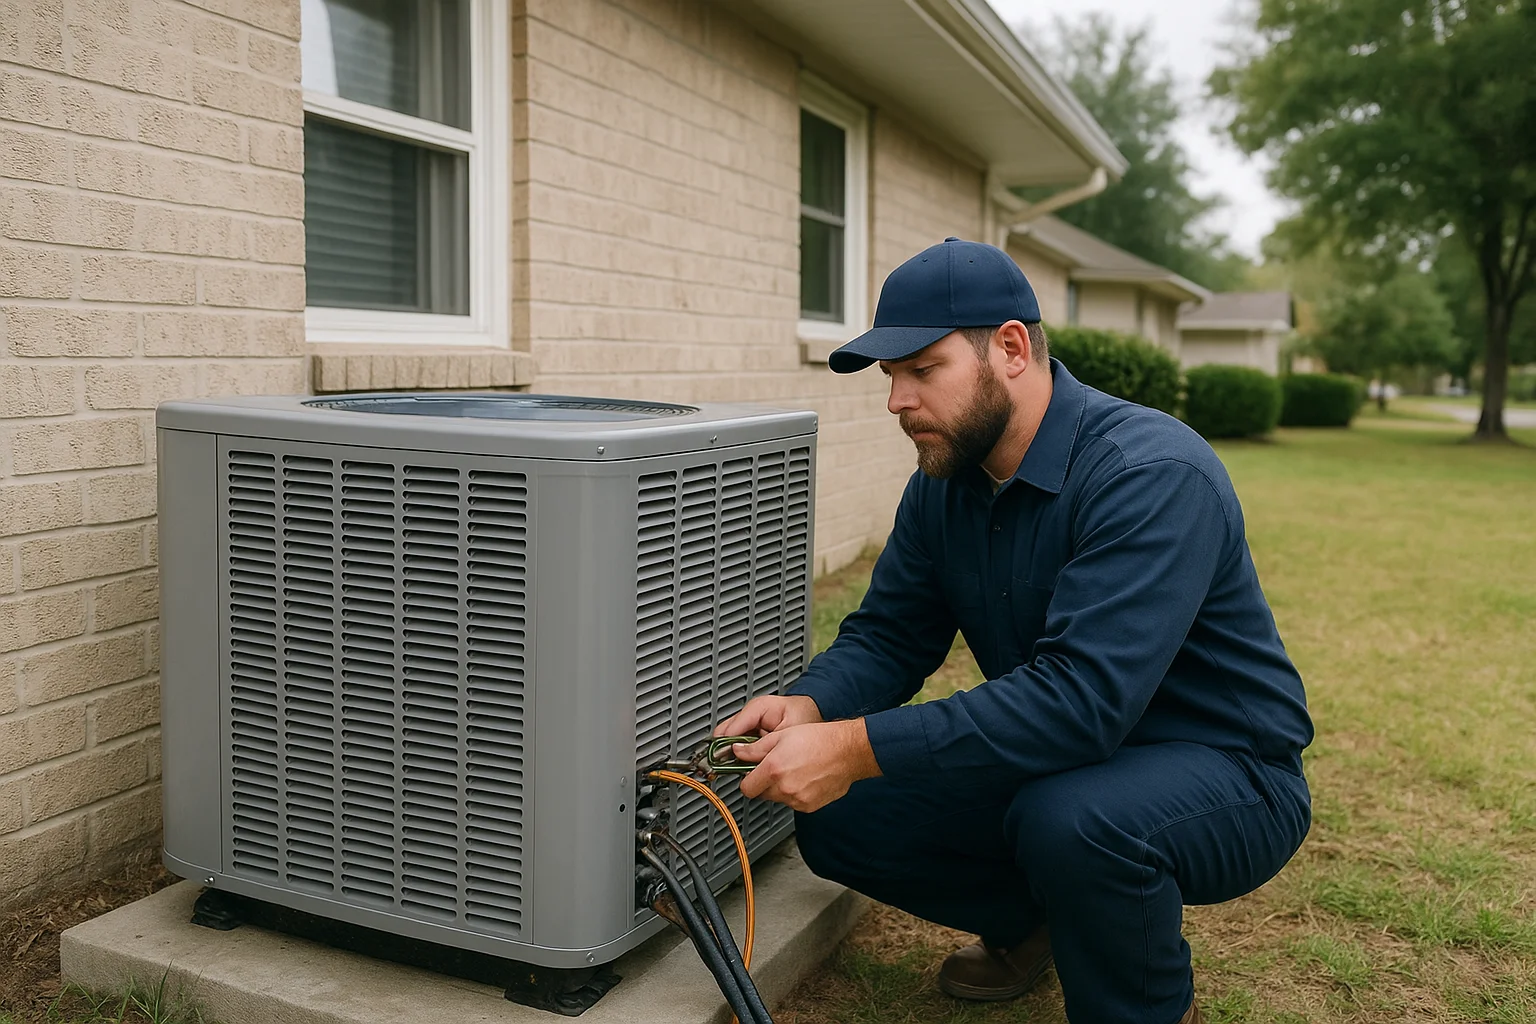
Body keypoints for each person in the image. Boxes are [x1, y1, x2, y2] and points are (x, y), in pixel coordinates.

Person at [713, 237, 1313, 1024]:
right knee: (842, 812)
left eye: (923, 370)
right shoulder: (945, 480)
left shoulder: (1149, 473)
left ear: (1011, 348)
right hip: (1062, 760)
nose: (898, 400)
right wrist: (814, 707)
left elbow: (1081, 703)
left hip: (1228, 771)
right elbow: (891, 634)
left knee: (1074, 821)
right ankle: (1036, 925)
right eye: (892, 377)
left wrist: (858, 747)